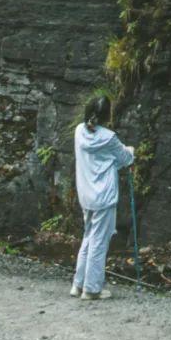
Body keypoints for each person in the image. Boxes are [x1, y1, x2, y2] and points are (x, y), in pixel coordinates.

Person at [70, 93, 134, 302]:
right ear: (107, 115)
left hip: (86, 195)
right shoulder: (108, 137)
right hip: (104, 197)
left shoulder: (79, 131)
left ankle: (78, 285)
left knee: (88, 237)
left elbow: (104, 159)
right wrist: (130, 151)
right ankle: (92, 289)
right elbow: (124, 158)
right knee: (99, 242)